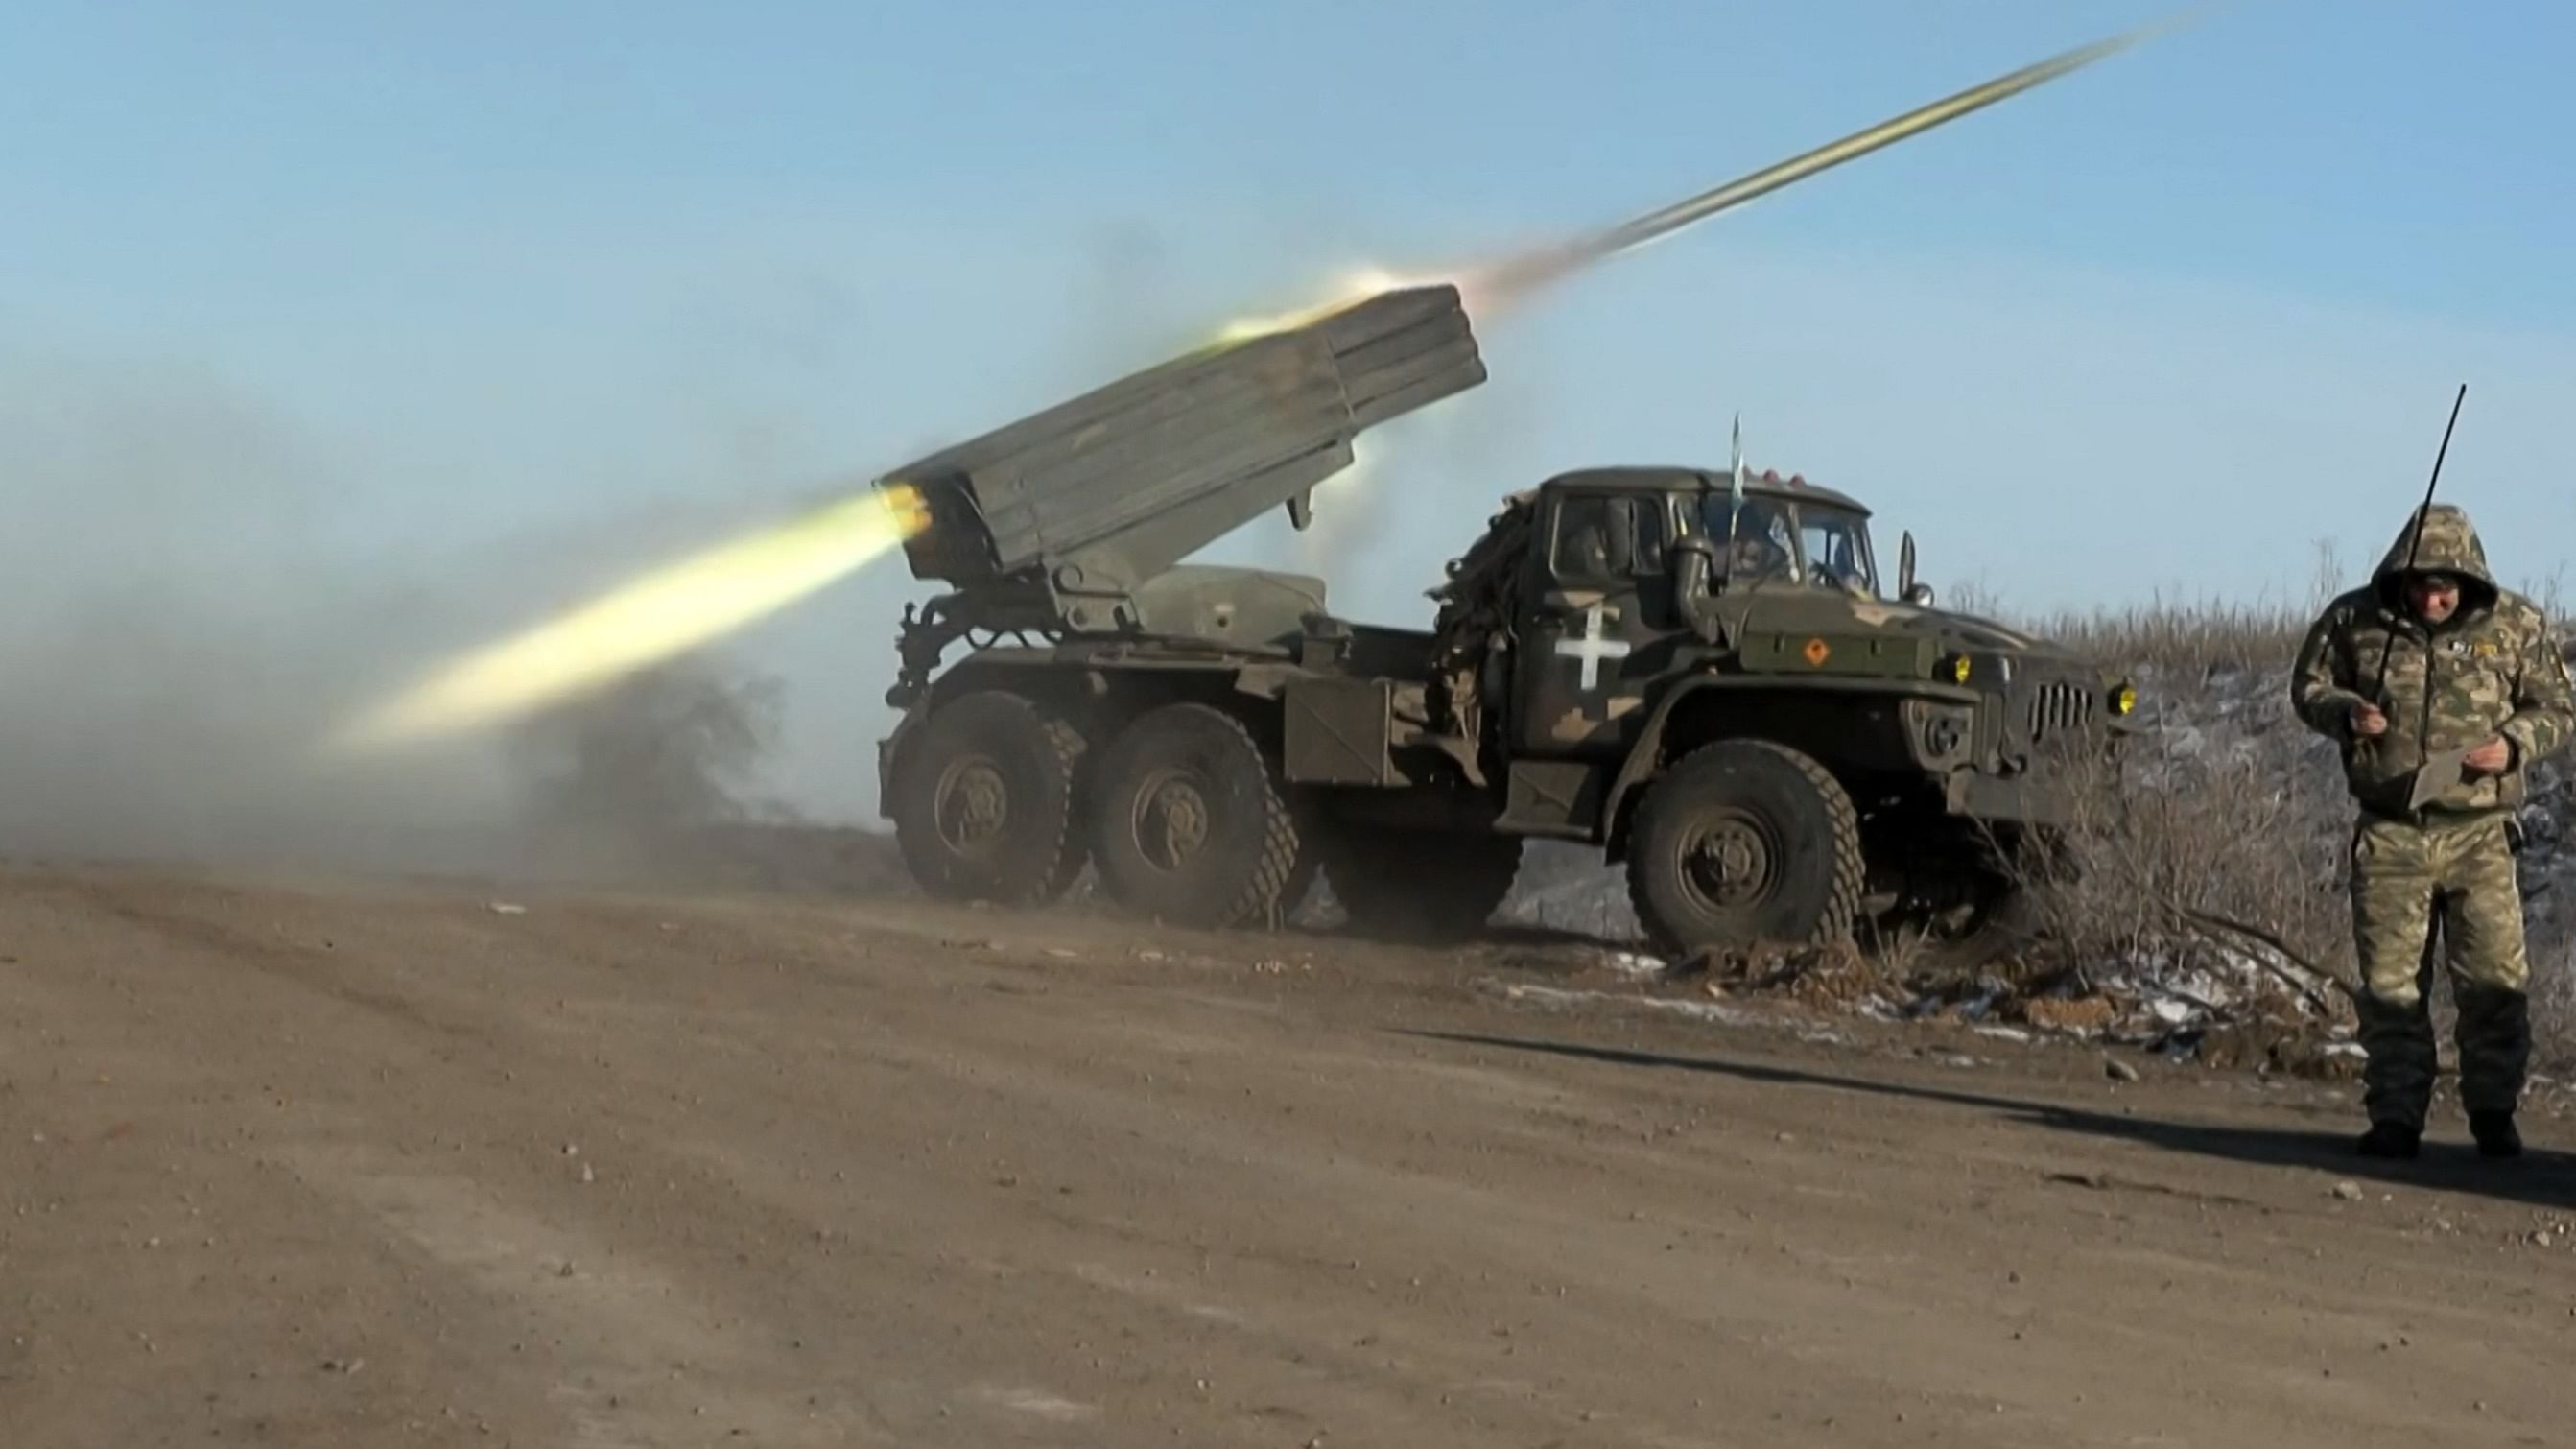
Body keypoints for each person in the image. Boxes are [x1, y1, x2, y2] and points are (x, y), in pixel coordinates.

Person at [2291, 502, 2575, 1159]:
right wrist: (2343, 712)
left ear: (2468, 579)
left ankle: (2493, 1114)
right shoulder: (2352, 620)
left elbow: (2557, 706)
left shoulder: (2515, 625)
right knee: (2390, 989)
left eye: (2446, 584)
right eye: (2421, 582)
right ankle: (2395, 1118)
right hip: (2391, 832)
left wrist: (2511, 744)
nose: (2433, 596)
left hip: (2479, 832)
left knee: (2492, 985)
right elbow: (2306, 686)